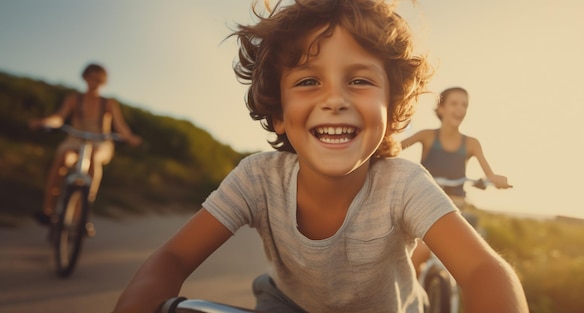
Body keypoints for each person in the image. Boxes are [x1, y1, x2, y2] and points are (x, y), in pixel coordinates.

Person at [114, 1, 528, 312]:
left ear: (391, 108)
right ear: (278, 112)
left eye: (360, 80)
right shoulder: (258, 179)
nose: (335, 99)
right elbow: (172, 258)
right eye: (309, 80)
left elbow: (483, 272)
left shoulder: (403, 183)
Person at [401, 87, 511, 277]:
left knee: (466, 261)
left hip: (453, 208)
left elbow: (489, 175)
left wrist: (497, 180)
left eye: (464, 105)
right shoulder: (427, 136)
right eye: (454, 103)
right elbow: (392, 149)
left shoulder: (471, 143)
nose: (460, 109)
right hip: (424, 205)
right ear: (441, 108)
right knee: (418, 253)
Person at [29, 63, 141, 231]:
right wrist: (45, 122)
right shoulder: (74, 99)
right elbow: (59, 117)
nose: (94, 83)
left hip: (100, 142)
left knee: (94, 157)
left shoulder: (108, 103)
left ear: (103, 82)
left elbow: (120, 126)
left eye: (98, 80)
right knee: (63, 158)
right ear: (85, 78)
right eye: (91, 78)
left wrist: (130, 138)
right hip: (75, 139)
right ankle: (48, 210)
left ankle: (82, 217)